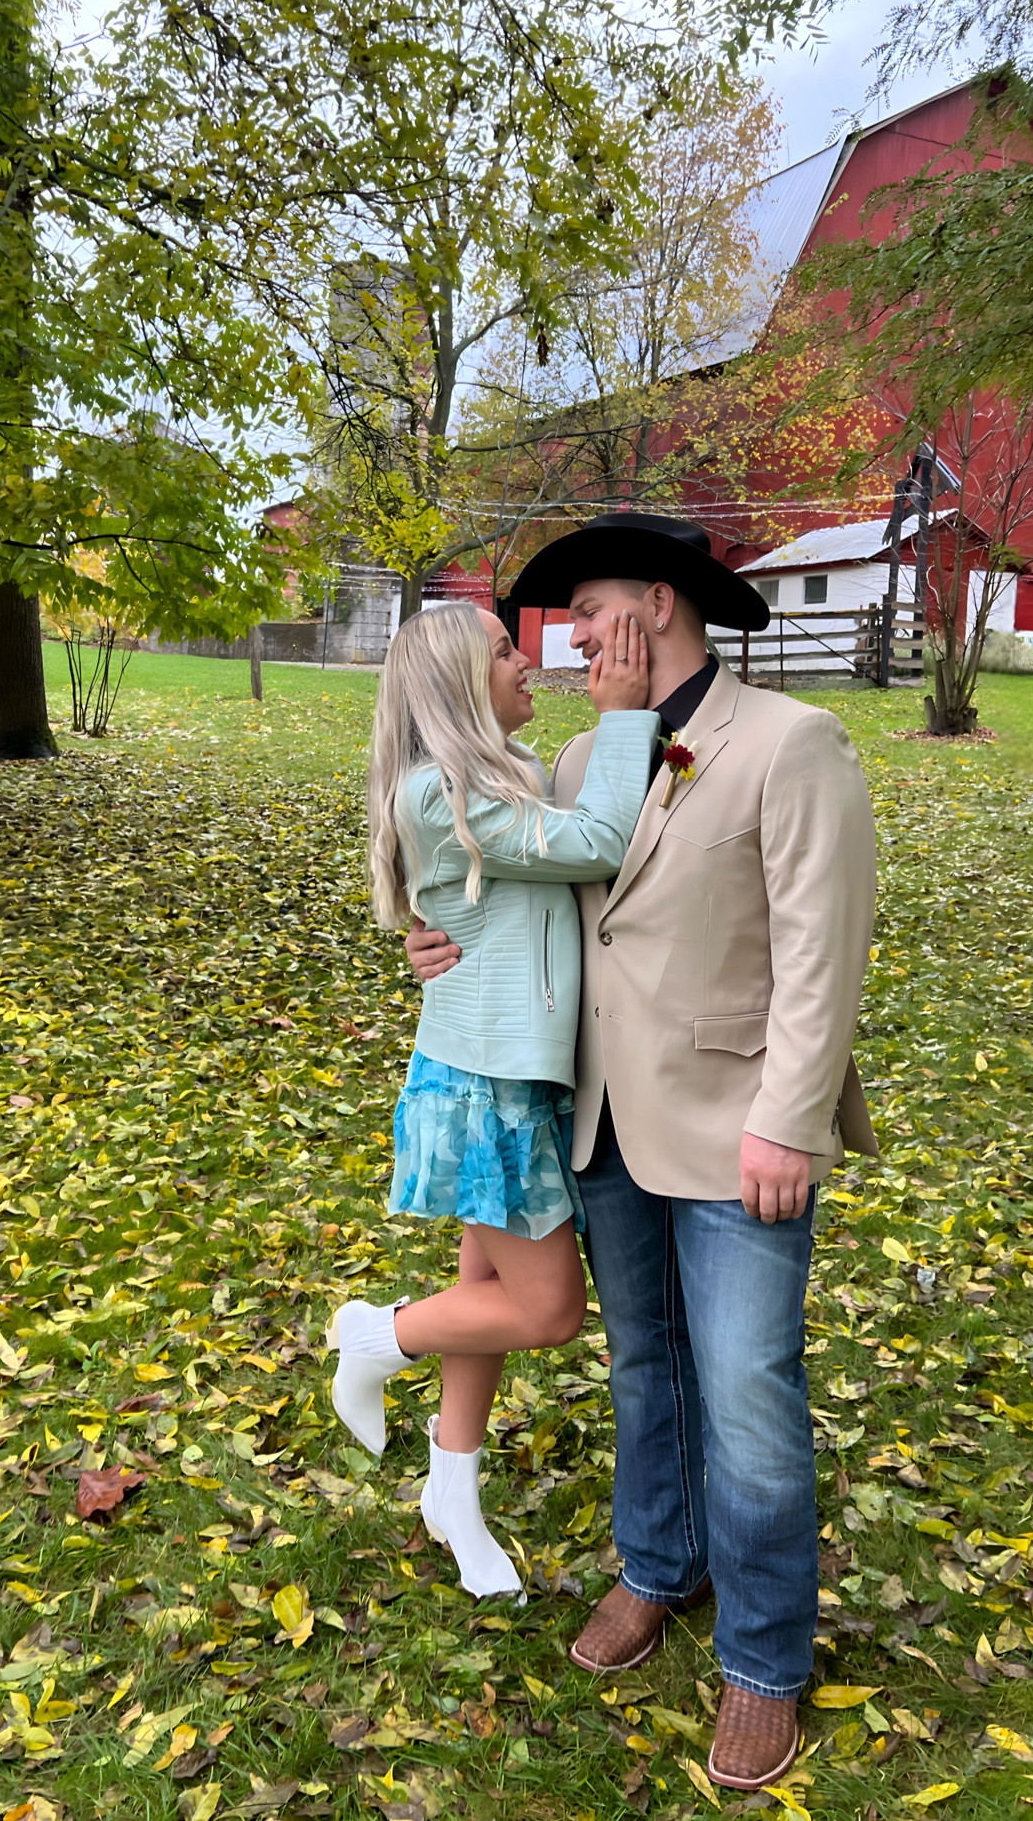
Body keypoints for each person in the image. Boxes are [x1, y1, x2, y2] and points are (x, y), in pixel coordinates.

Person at [406, 513, 878, 1791]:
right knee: (643, 1368)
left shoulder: (791, 744)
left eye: (586, 607)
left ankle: (766, 1660)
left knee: (751, 1395)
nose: (563, 636)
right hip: (601, 1120)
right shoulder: (574, 756)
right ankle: (658, 1568)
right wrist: (435, 940)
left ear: (656, 606)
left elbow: (823, 952)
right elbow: (533, 894)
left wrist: (791, 1115)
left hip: (738, 1134)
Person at [330, 599, 660, 1599]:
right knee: (547, 1309)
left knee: (489, 1300)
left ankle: (452, 1496)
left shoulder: (496, 781)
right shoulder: (440, 796)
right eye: (506, 652)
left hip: (519, 1074)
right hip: (487, 1086)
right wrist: (626, 716)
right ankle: (375, 1336)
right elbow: (601, 839)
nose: (532, 662)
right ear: (454, 686)